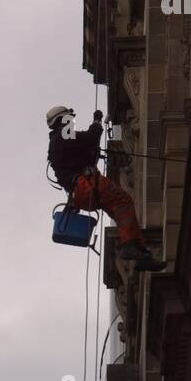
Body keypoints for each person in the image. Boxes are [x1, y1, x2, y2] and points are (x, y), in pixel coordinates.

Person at [46, 105, 167, 272]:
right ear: (62, 120)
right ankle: (129, 246)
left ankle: (140, 253)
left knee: (121, 210)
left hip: (80, 194)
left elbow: (85, 151)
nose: (72, 123)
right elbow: (91, 138)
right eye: (69, 119)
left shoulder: (59, 142)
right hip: (86, 186)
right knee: (122, 201)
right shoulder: (64, 135)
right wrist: (96, 122)